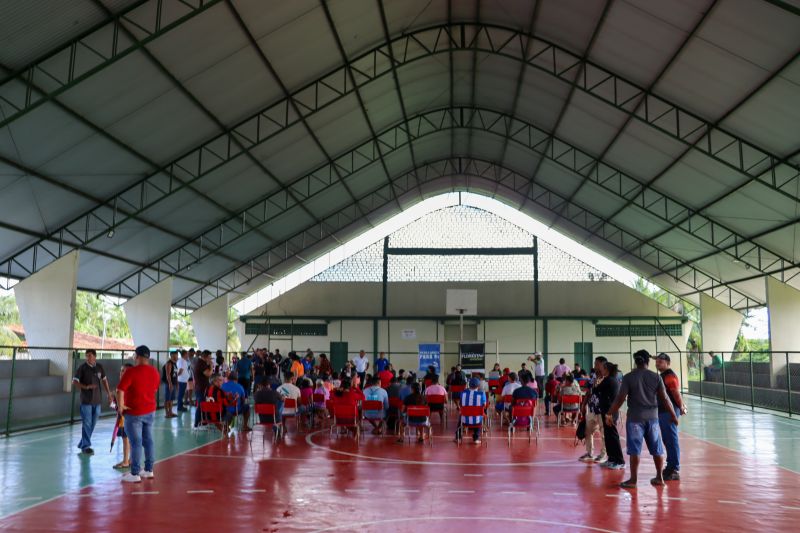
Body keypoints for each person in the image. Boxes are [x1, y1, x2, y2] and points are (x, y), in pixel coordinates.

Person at [606, 350, 679, 489]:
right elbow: (665, 398)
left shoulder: (628, 377)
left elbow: (620, 398)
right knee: (657, 449)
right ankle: (660, 477)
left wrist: (610, 413)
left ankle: (633, 480)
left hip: (635, 419)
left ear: (635, 361)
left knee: (635, 450)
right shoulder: (656, 377)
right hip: (653, 419)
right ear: (648, 361)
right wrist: (674, 415)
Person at [116, 345, 160, 483]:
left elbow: (119, 390)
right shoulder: (154, 372)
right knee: (148, 440)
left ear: (137, 356)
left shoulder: (131, 372)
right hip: (150, 410)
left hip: (134, 412)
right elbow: (154, 389)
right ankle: (148, 470)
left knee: (135, 442)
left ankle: (135, 473)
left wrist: (120, 406)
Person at [72, 349, 114, 455]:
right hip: (86, 401)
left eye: (89, 356)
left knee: (93, 423)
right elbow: (74, 381)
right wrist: (86, 387)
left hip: (97, 400)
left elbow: (104, 380)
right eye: (86, 356)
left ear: (95, 357)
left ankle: (83, 442)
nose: (87, 358)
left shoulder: (99, 367)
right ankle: (86, 446)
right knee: (87, 423)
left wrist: (109, 393)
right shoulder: (82, 368)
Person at [655, 353, 687, 481]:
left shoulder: (669, 376)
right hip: (663, 411)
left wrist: (681, 407)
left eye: (661, 362)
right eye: (657, 362)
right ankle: (671, 466)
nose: (657, 363)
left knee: (671, 439)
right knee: (667, 439)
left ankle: (674, 469)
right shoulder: (662, 376)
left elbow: (675, 393)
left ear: (668, 363)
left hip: (669, 411)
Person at [579, 356, 607, 463]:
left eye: (596, 364)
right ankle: (590, 453)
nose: (594, 366)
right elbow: (588, 391)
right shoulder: (593, 376)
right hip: (592, 408)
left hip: (603, 410)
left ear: (602, 364)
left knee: (603, 433)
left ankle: (603, 455)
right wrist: (583, 405)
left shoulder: (608, 377)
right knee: (588, 431)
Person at [598, 362, 625, 470]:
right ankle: (612, 458)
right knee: (608, 435)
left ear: (607, 370)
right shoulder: (609, 379)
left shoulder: (609, 380)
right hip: (607, 411)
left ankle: (620, 460)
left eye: (603, 369)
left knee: (612, 435)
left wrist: (597, 382)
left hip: (610, 412)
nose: (601, 371)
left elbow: (596, 389)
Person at [113, 363, 133, 470]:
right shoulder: (120, 385)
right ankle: (129, 459)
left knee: (126, 438)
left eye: (125, 371)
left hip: (127, 416)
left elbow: (126, 404)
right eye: (121, 370)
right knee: (127, 439)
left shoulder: (128, 386)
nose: (122, 373)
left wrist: (121, 407)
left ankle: (126, 461)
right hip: (123, 415)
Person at [457, 377, 486, 444]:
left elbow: (461, 404)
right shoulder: (482, 394)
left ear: (469, 385)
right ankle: (476, 438)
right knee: (479, 416)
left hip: (464, 421)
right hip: (477, 421)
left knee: (461, 417)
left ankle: (458, 437)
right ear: (478, 386)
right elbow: (484, 405)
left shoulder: (463, 393)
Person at [193, 351, 213, 428]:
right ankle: (197, 424)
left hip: (203, 387)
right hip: (201, 388)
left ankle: (203, 421)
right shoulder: (201, 363)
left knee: (204, 405)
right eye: (210, 357)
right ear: (206, 357)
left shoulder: (203, 363)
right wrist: (211, 365)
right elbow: (208, 373)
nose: (210, 359)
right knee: (201, 405)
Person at [161, 351, 178, 418]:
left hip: (173, 383)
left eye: (176, 355)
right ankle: (167, 413)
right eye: (175, 355)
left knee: (171, 399)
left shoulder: (175, 364)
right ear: (171, 356)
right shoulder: (169, 363)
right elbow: (168, 375)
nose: (176, 357)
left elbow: (175, 374)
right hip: (168, 384)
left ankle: (171, 412)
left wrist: (176, 383)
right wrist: (170, 384)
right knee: (167, 399)